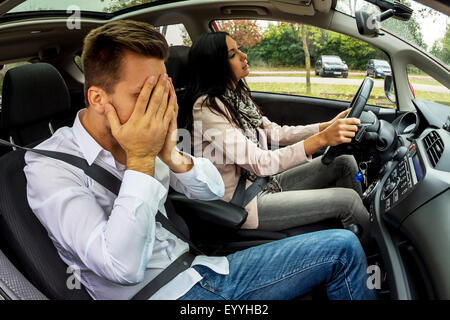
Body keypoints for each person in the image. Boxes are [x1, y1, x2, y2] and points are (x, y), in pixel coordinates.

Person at [24, 20, 377, 300]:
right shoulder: (50, 169)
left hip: (204, 267)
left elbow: (209, 191)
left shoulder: (150, 130)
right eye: (143, 94)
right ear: (98, 98)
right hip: (169, 293)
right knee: (341, 248)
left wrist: (173, 156)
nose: (158, 107)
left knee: (339, 239)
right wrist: (142, 160)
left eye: (161, 90)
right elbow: (123, 267)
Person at [184, 32, 371, 244]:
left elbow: (276, 132)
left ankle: (358, 231)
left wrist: (324, 127)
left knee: (344, 162)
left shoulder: (236, 97)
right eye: (233, 54)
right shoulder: (206, 108)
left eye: (239, 49)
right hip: (246, 202)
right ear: (215, 65)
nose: (244, 56)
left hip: (266, 183)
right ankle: (370, 255)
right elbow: (260, 162)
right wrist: (322, 140)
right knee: (348, 201)